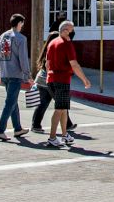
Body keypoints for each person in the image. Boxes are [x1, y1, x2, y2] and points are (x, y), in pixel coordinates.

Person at [45, 20, 91, 148]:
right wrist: (84, 79)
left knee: (64, 108)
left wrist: (50, 74)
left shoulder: (52, 43)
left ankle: (65, 135)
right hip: (62, 80)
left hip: (51, 79)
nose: (73, 33)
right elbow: (74, 64)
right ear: (64, 30)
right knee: (59, 109)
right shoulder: (66, 44)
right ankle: (52, 138)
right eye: (71, 30)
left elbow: (47, 64)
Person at [31, 30, 79, 134]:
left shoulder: (47, 50)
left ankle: (36, 125)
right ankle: (67, 125)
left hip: (42, 79)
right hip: (49, 80)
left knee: (45, 103)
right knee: (61, 103)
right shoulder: (54, 50)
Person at [0, 14, 32, 141]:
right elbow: (23, 59)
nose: (22, 26)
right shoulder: (21, 39)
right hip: (15, 74)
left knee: (13, 101)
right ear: (20, 23)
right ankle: (0, 130)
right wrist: (27, 75)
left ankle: (18, 128)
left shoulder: (2, 36)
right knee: (10, 102)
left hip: (5, 73)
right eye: (22, 23)